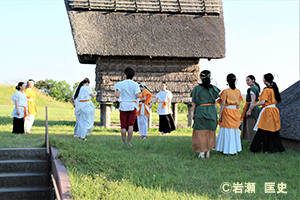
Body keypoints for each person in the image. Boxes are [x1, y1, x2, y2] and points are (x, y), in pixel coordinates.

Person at [249, 73, 285, 154]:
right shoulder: (274, 89)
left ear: (265, 80)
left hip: (268, 111)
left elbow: (262, 102)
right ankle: (273, 148)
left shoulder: (266, 90)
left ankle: (262, 148)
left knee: (263, 129)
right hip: (274, 111)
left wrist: (253, 105)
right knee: (273, 130)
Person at [190, 70, 220, 158]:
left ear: (201, 78)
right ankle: (208, 152)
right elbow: (216, 104)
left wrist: (193, 113)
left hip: (200, 110)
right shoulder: (214, 89)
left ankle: (201, 152)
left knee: (200, 132)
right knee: (210, 132)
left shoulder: (196, 88)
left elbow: (194, 103)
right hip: (211, 111)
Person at [214, 73, 243, 155]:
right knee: (234, 130)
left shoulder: (226, 91)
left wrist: (220, 114)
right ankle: (235, 150)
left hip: (227, 111)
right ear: (235, 81)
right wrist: (236, 112)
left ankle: (227, 150)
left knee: (227, 130)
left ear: (227, 81)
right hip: (235, 111)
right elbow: (238, 104)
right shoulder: (238, 91)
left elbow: (223, 103)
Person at [114, 67, 141, 146]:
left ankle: (124, 142)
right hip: (132, 105)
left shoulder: (120, 84)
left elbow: (117, 95)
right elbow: (137, 95)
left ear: (125, 75)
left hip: (123, 105)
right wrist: (140, 94)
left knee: (123, 126)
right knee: (130, 125)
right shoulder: (135, 84)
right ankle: (129, 142)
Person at [240, 75, 260, 142]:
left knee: (251, 126)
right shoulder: (256, 88)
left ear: (253, 80)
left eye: (248, 80)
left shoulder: (252, 89)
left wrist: (249, 110)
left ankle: (253, 142)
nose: (247, 82)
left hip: (252, 108)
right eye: (246, 80)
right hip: (254, 108)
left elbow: (253, 101)